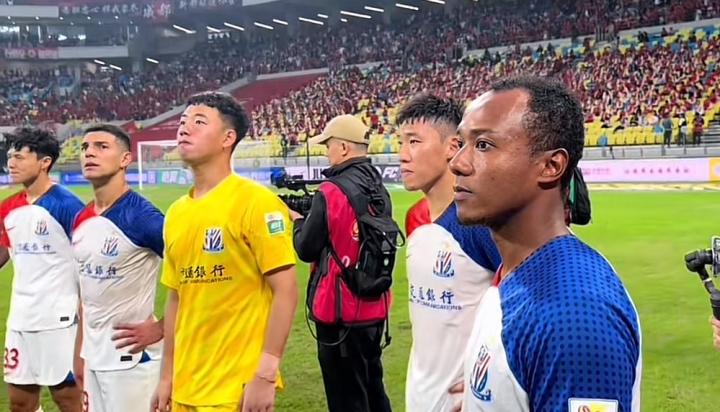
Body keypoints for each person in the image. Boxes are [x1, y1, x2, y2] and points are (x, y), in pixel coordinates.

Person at [449, 77, 642, 411]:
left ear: (551, 166)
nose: (457, 163)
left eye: (483, 145)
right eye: (461, 143)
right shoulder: (520, 268)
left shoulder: (576, 317)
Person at [153, 91, 298, 412]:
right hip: (185, 387)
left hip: (236, 389)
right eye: (182, 121)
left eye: (199, 122)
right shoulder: (176, 213)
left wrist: (266, 374)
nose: (184, 128)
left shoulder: (256, 202)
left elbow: (286, 289)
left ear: (227, 138)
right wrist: (166, 377)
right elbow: (176, 298)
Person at [396, 94, 500, 412]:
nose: (402, 155)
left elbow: (526, 305)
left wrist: (494, 378)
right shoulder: (415, 217)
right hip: (420, 395)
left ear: (452, 147)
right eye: (400, 142)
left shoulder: (480, 223)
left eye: (414, 141)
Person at [291, 114, 394, 412]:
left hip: (339, 311)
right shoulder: (379, 187)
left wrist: (297, 222)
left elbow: (306, 248)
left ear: (344, 148)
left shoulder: (331, 190)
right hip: (374, 304)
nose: (327, 152)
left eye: (329, 146)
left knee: (346, 399)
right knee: (373, 388)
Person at [72, 124, 164, 412]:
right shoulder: (82, 217)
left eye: (101, 147)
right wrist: (79, 354)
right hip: (93, 356)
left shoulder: (144, 218)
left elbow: (193, 275)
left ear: (125, 159)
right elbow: (85, 294)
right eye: (85, 147)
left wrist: (161, 328)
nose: (89, 153)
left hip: (133, 361)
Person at [0, 127, 84, 412]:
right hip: (20, 320)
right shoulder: (8, 208)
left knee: (69, 400)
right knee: (20, 403)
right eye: (10, 157)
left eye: (20, 157)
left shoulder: (68, 206)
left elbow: (90, 258)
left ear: (44, 162)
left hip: (59, 321)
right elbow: (4, 251)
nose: (11, 163)